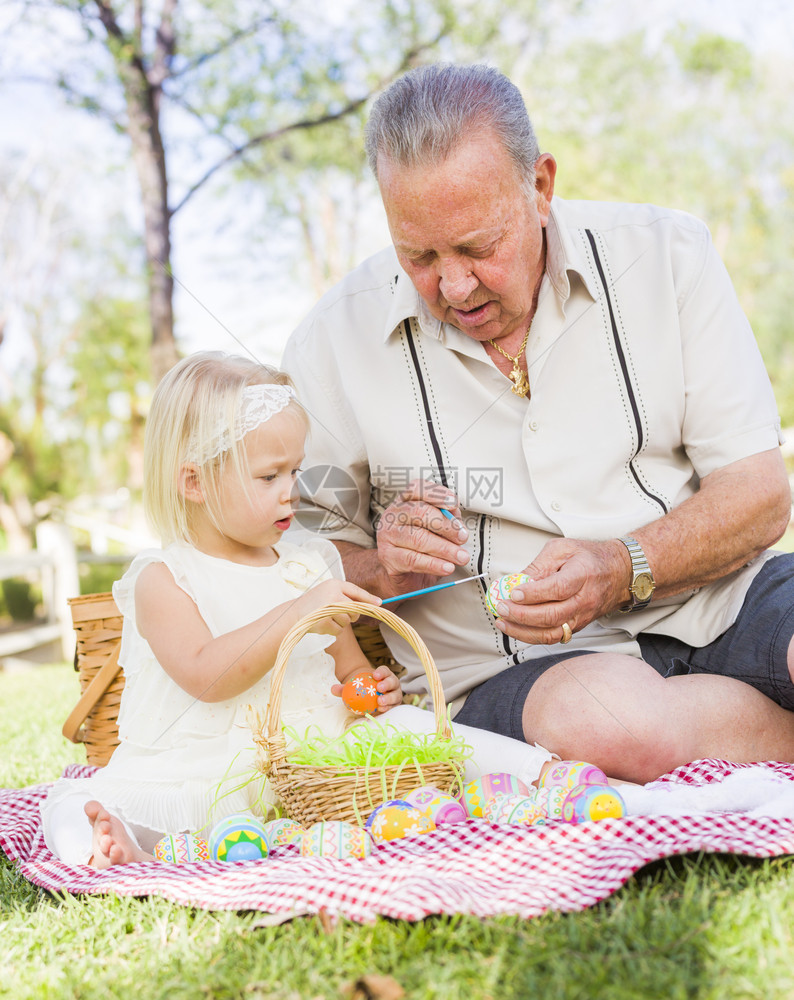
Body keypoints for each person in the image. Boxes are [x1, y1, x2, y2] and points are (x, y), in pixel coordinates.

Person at [282, 63, 794, 785]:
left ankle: (725, 730)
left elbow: (760, 494)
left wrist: (622, 565)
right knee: (618, 726)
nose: (453, 287)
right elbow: (297, 566)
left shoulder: (670, 255)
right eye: (419, 255)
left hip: (722, 600)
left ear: (541, 186)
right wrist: (385, 564)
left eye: (478, 247)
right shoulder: (331, 340)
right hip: (512, 671)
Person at [42, 351, 559, 869]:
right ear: (194, 482)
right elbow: (205, 675)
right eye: (269, 477)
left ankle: (548, 776)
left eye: (295, 470)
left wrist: (372, 693)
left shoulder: (307, 564)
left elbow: (349, 670)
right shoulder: (164, 578)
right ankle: (111, 846)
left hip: (317, 762)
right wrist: (298, 610)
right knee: (70, 803)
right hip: (215, 765)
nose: (292, 492)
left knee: (415, 726)